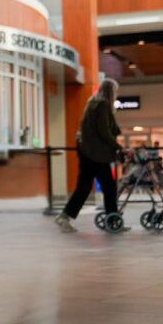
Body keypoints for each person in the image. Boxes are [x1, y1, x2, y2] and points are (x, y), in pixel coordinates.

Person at [55, 79, 127, 232]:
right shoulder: (102, 105)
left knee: (84, 187)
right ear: (110, 91)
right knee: (108, 187)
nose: (116, 94)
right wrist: (119, 147)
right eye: (115, 91)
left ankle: (65, 216)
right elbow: (104, 132)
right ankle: (113, 220)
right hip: (97, 154)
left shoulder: (92, 102)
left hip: (87, 151)